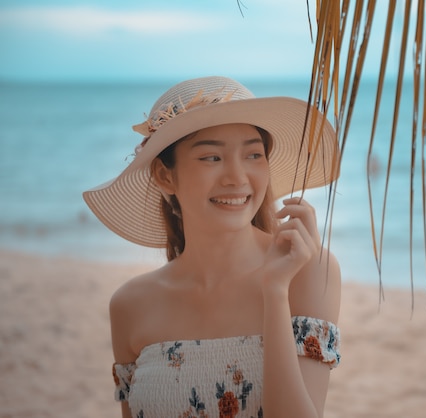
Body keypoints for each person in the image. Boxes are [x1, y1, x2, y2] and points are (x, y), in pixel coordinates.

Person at [83, 76, 342, 418]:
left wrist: (276, 290)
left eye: (253, 154)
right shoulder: (130, 305)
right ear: (164, 176)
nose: (237, 177)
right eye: (211, 158)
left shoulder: (308, 271)